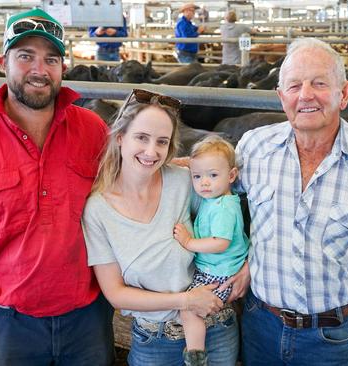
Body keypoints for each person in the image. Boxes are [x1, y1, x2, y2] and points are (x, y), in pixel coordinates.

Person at [0, 8, 114, 366]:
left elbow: (128, 196)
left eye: (51, 59)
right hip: (8, 320)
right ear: (3, 62)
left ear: (63, 67)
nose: (39, 70)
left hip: (88, 316)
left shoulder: (94, 131)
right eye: (25, 56)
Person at [234, 37, 348, 366]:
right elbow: (219, 196)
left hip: (332, 338)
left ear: (343, 94)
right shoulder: (253, 147)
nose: (305, 95)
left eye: (319, 83)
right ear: (281, 97)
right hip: (260, 325)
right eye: (294, 86)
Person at [83, 89, 239, 366]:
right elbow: (115, 292)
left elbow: (233, 217)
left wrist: (247, 269)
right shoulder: (98, 209)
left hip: (216, 327)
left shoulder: (184, 182)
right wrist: (186, 301)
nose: (151, 151)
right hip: (155, 341)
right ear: (120, 138)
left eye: (162, 142)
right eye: (141, 138)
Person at [172, 135, 249, 364]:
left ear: (232, 175)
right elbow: (188, 166)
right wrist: (177, 163)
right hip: (216, 269)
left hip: (221, 273)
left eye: (213, 175)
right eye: (197, 176)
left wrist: (188, 242)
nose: (204, 182)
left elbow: (219, 242)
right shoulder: (214, 198)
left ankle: (196, 355)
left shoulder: (223, 207)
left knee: (188, 309)